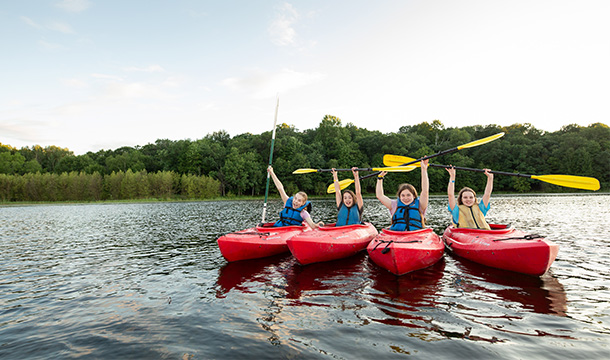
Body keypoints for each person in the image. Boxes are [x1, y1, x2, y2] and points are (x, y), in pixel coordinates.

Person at [376, 160, 429, 231]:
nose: (405, 198)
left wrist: (424, 169)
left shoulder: (420, 204)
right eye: (403, 195)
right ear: (399, 197)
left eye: (408, 195)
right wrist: (380, 178)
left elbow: (425, 191)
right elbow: (380, 196)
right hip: (397, 235)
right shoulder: (394, 205)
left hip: (417, 235)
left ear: (414, 196)